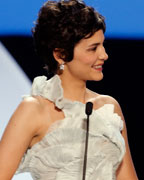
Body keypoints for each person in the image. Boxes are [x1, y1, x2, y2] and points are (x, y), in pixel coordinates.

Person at [0, 0, 138, 179]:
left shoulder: (109, 108)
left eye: (102, 45)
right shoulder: (34, 109)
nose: (104, 55)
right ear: (60, 55)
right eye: (93, 48)